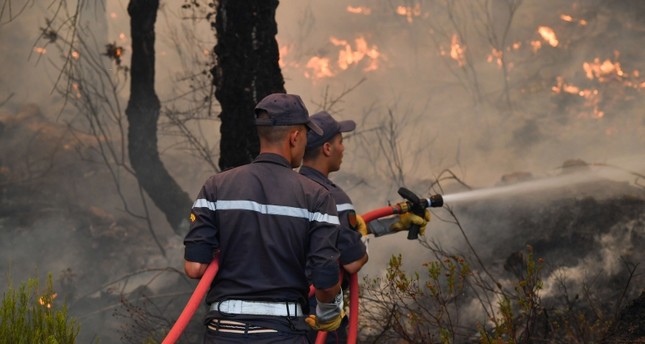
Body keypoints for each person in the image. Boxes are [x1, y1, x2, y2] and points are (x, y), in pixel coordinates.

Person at [183, 94, 345, 343]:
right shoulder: (317, 196)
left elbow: (194, 267)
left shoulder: (215, 187)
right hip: (282, 334)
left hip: (222, 332)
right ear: (295, 137)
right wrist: (329, 312)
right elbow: (324, 279)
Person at [300, 111, 430, 343]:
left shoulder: (292, 190)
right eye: (341, 141)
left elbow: (328, 235)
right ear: (327, 148)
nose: (344, 148)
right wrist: (363, 242)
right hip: (320, 314)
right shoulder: (333, 197)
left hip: (286, 315)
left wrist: (388, 226)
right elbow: (352, 261)